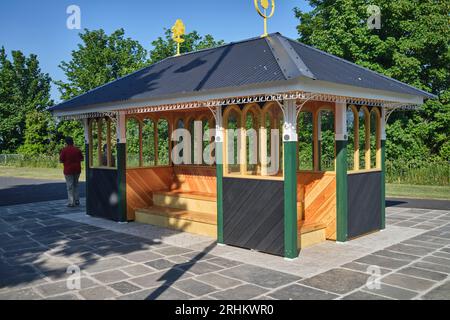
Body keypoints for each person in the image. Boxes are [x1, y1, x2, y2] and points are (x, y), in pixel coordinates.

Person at [59, 136, 83, 207]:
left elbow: (61, 160)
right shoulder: (77, 150)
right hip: (77, 169)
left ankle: (71, 202)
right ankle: (77, 200)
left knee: (70, 186)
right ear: (73, 142)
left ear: (66, 142)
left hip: (68, 170)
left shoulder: (64, 150)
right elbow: (82, 159)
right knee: (76, 185)